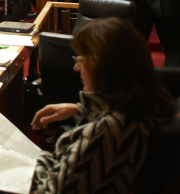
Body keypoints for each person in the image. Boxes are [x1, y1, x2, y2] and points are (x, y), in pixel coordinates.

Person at [30, 17, 174, 193]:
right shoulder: (148, 101)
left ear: (105, 67)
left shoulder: (104, 133)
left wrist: (36, 158)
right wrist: (79, 108)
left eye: (81, 59)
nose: (76, 68)